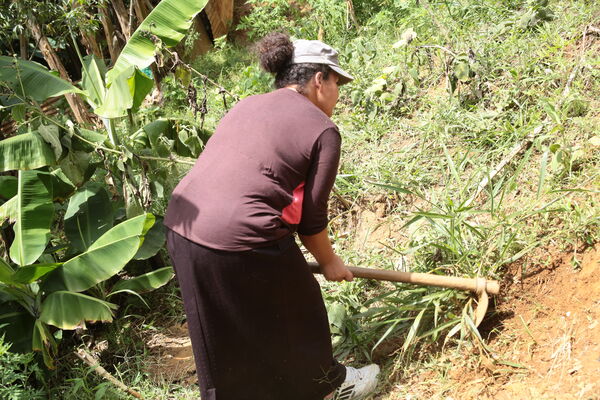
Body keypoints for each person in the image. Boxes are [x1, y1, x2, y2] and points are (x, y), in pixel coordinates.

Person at [164, 32, 380, 400]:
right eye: (337, 82)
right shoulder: (322, 129)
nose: (338, 93)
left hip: (181, 229)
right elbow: (312, 218)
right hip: (240, 234)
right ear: (318, 79)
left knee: (219, 336)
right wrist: (329, 262)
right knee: (300, 310)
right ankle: (331, 387)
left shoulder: (247, 104)